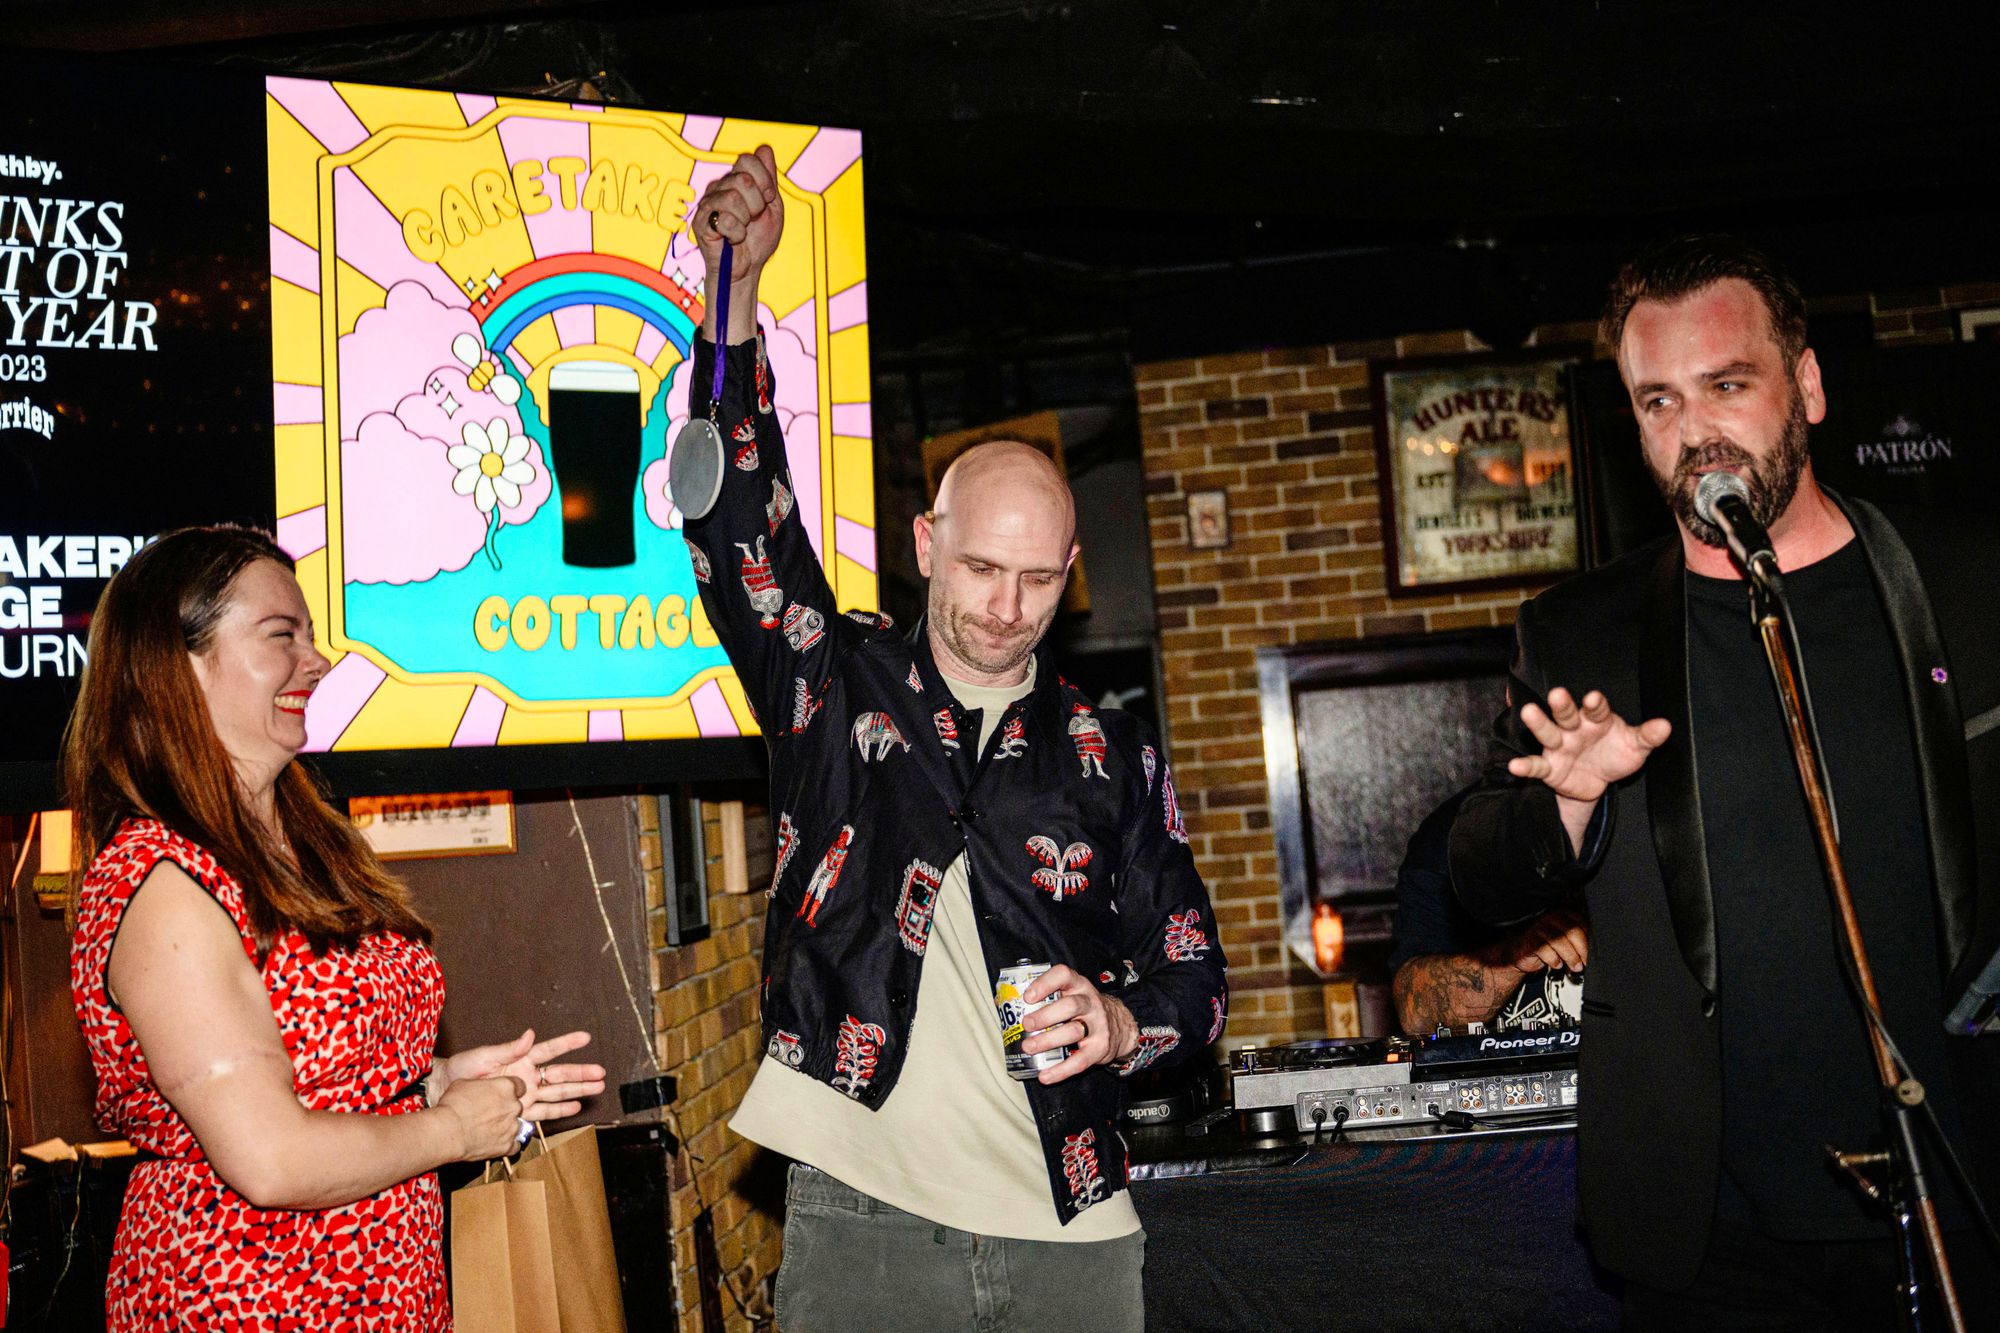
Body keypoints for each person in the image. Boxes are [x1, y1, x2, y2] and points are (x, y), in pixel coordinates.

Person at [679, 148, 1228, 1332]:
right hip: (861, 1214)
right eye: (980, 567)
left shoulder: (1111, 752)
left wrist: (1120, 1022)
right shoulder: (834, 678)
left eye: (1037, 579)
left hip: (1070, 1222)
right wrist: (731, 298)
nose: (1005, 606)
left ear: (1070, 573)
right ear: (926, 543)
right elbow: (735, 520)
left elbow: (1196, 978)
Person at [1448, 235, 2000, 1326]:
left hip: (1962, 1192)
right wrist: (1566, 803)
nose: (1693, 430)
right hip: (1712, 1234)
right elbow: (1476, 872)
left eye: (1727, 385)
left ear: (1807, 386)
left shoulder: (1969, 581)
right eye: (1657, 401)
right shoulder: (1583, 633)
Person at [65, 526, 607, 1330]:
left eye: (311, 635)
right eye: (281, 635)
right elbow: (272, 1156)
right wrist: (453, 1128)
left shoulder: (302, 838)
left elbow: (321, 1083)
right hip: (248, 1301)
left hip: (380, 1293)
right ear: (178, 666)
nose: (317, 662)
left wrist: (433, 1081)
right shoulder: (163, 884)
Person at [1389, 789, 1586, 1035]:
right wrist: (1516, 955)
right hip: (1510, 1058)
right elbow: (1415, 1015)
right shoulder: (1455, 835)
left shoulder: (1629, 823)